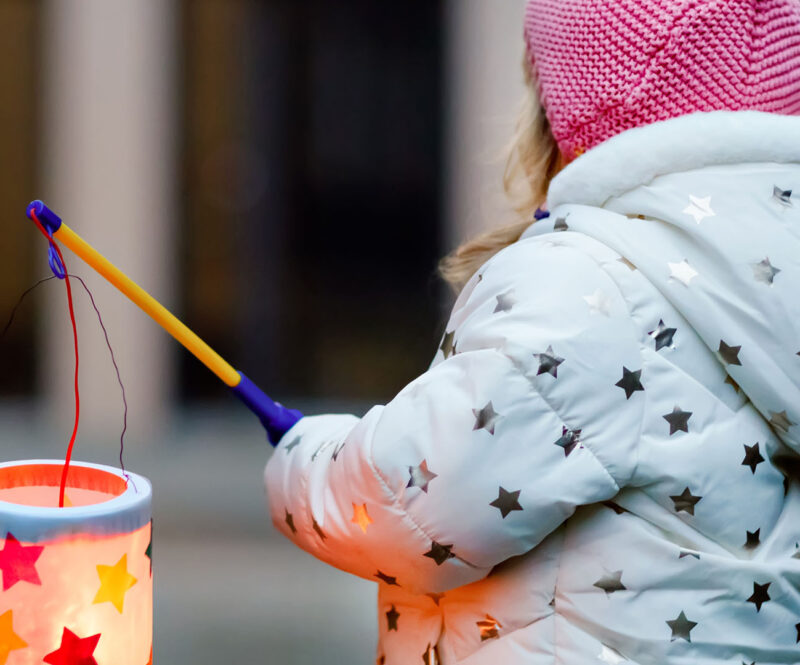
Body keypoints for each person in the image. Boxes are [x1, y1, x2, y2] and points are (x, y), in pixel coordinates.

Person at [260, 1, 800, 663]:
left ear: (575, 109)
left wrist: (303, 455)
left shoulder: (590, 288)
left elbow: (411, 505)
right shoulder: (771, 277)